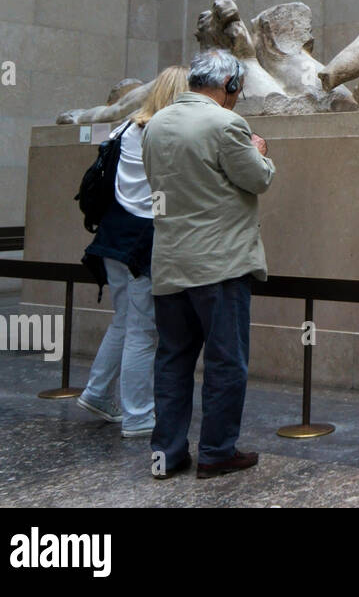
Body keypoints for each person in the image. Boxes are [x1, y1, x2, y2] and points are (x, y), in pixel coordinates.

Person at [143, 49, 275, 479]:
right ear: (230, 85)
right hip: (219, 265)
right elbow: (257, 179)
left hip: (169, 262)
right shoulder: (227, 124)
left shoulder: (155, 124)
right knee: (225, 362)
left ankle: (167, 452)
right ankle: (217, 452)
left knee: (172, 360)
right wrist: (261, 152)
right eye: (239, 89)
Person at [76, 66, 189, 438]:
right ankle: (138, 415)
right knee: (144, 330)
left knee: (123, 320)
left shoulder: (125, 128)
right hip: (144, 238)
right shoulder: (167, 132)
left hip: (112, 235)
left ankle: (96, 392)